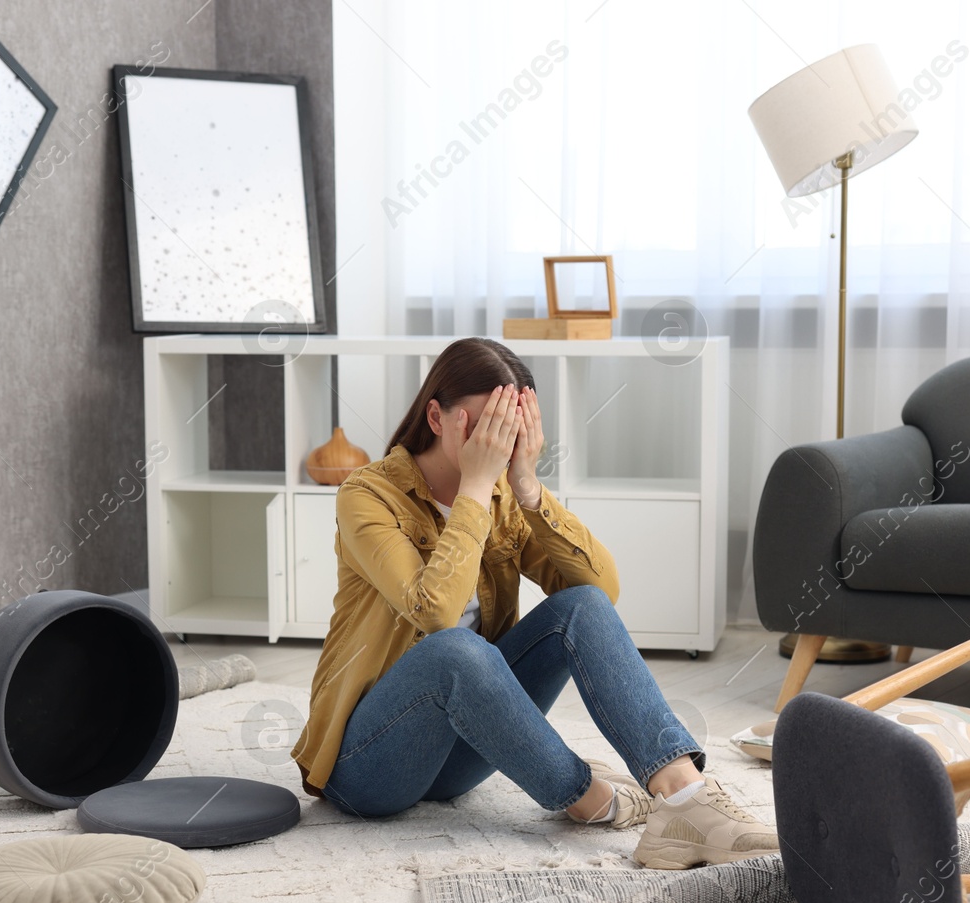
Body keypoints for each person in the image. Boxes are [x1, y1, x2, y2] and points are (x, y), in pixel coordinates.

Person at [288, 337, 776, 869]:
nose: (495, 446)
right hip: (367, 765)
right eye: (483, 426)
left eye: (509, 430)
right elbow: (435, 613)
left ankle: (684, 797)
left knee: (582, 606)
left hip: (458, 759)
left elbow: (602, 591)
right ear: (436, 416)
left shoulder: (504, 494)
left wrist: (527, 486)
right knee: (456, 650)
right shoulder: (366, 495)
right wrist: (476, 484)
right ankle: (593, 798)